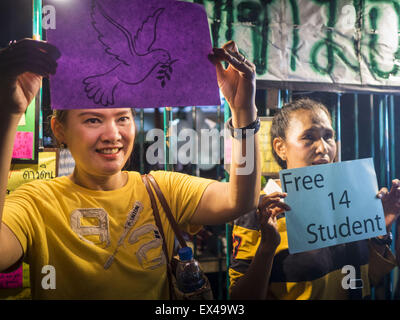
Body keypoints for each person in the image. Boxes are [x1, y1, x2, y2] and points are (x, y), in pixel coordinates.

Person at [0, 38, 261, 299]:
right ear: (60, 130)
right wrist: (9, 113)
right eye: (93, 120)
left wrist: (243, 111)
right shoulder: (36, 202)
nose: (112, 135)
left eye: (123, 118)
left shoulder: (162, 190)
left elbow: (240, 200)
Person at [229, 98, 400, 300]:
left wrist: (382, 229)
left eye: (328, 136)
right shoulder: (258, 211)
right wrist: (267, 248)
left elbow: (368, 277)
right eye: (309, 137)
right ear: (280, 147)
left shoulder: (350, 201)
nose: (323, 148)